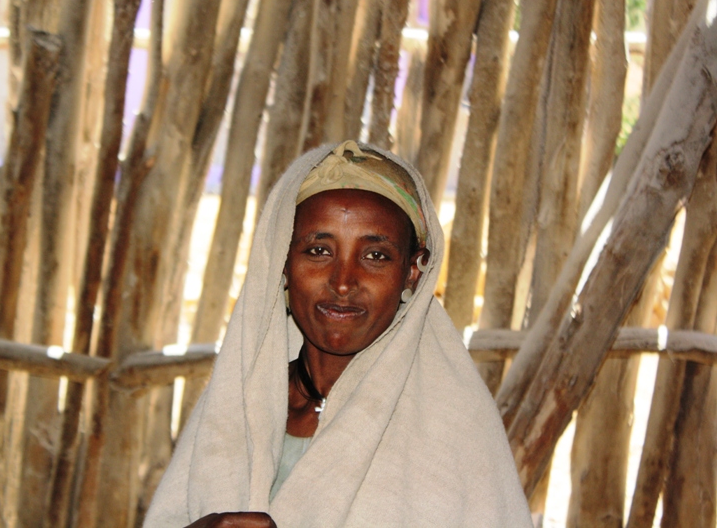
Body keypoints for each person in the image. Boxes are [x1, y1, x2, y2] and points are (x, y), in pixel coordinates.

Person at [144, 141, 533, 527]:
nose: (343, 282)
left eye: (375, 255)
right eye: (318, 251)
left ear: (413, 271)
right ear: (282, 260)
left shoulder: (452, 429)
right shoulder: (238, 406)